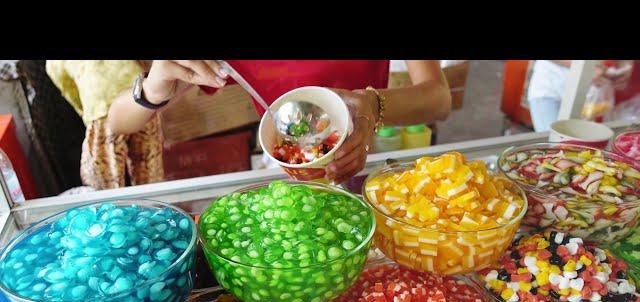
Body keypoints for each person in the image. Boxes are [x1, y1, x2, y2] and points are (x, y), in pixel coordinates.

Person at [107, 60, 451, 184]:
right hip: (284, 169)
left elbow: (438, 98)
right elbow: (119, 122)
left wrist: (374, 105)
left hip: (365, 163)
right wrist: (153, 85)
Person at [47, 60, 164, 189]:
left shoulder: (54, 63)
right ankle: (155, 201)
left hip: (101, 109)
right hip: (140, 96)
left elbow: (67, 88)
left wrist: (85, 114)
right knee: (148, 164)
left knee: (105, 177)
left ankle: (112, 206)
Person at [527, 60, 634, 132]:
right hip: (550, 88)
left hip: (588, 97)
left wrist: (626, 66)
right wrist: (585, 67)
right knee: (553, 144)